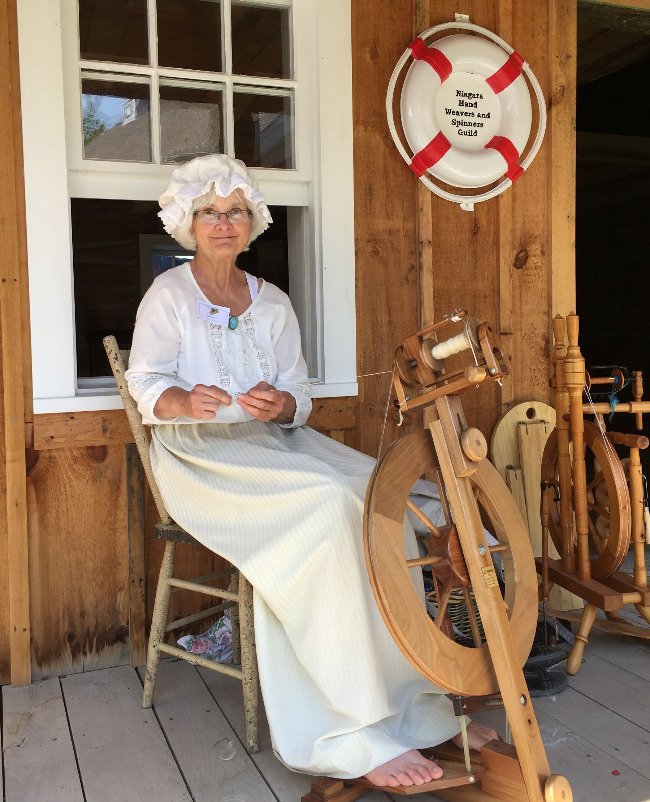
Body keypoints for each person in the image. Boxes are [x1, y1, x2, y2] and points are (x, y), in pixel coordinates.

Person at [125, 154, 497, 789]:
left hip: (273, 443)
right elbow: (145, 382)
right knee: (326, 508)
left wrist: (283, 402)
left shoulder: (272, 303)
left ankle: (415, 705)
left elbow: (298, 395)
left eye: (235, 211)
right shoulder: (169, 295)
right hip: (201, 457)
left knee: (381, 494)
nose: (223, 223)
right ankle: (350, 728)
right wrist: (183, 401)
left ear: (251, 222)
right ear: (189, 222)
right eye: (210, 212)